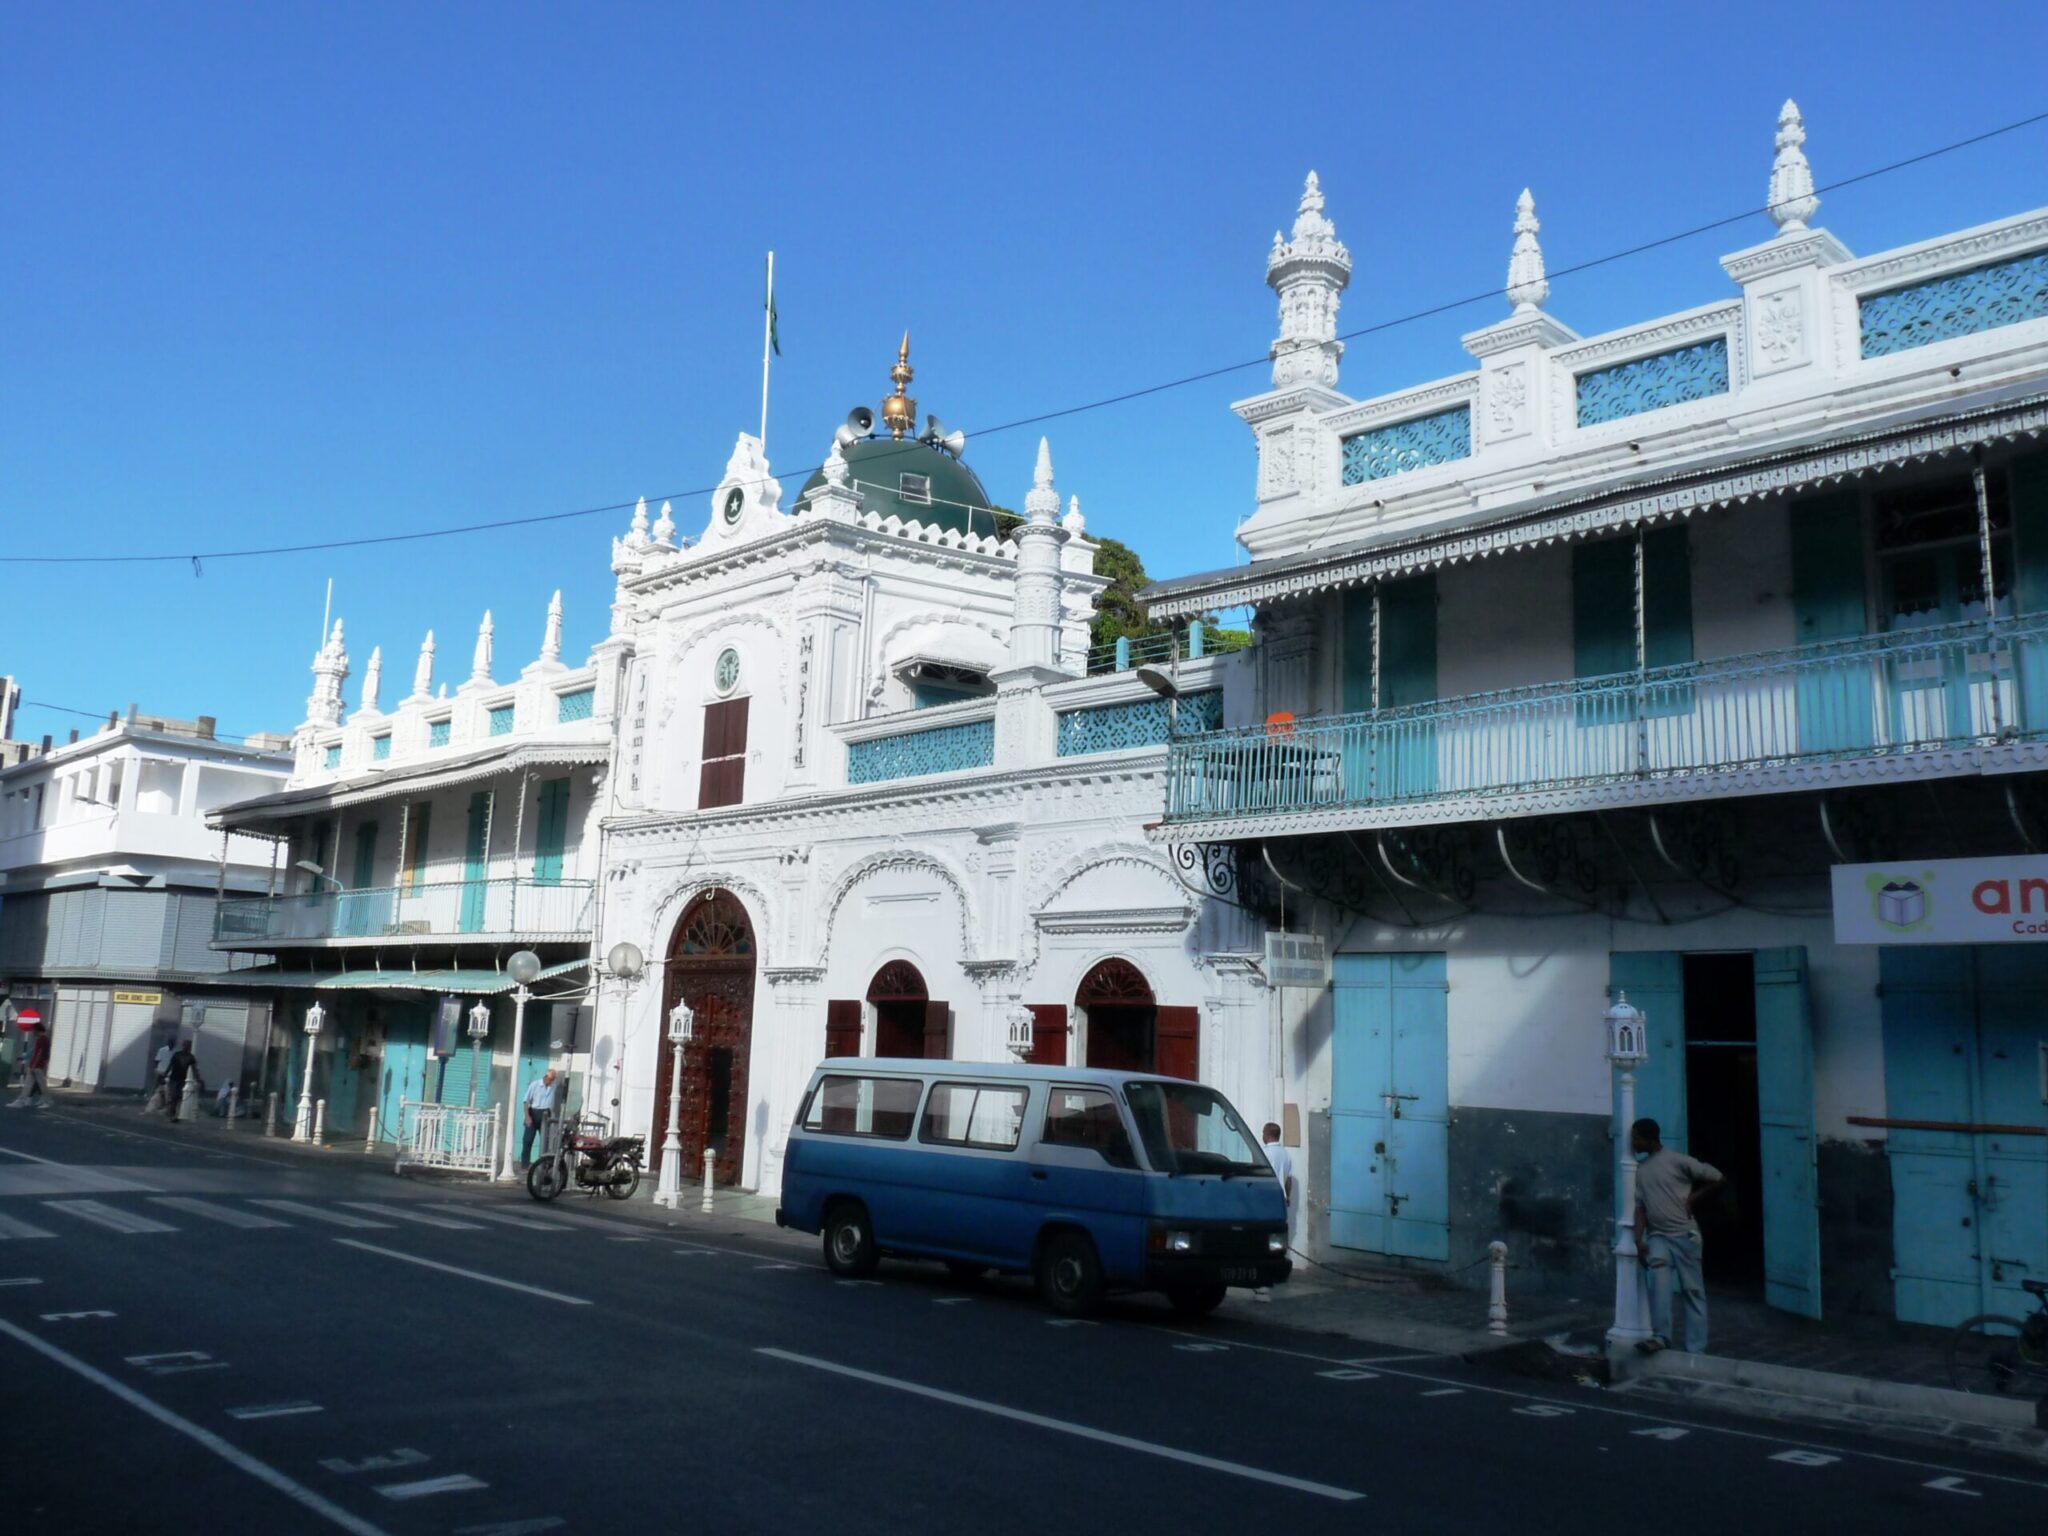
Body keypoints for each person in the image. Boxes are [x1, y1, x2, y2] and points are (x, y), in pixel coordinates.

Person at [1631, 1117, 1723, 1355]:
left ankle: (1696, 1348)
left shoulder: (1677, 1161)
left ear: (1648, 1138)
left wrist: (1692, 1198)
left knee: (1692, 1291)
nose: (1633, 1143)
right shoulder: (1641, 1170)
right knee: (1659, 1288)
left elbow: (1717, 1177)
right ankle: (1661, 1337)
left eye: (1636, 1138)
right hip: (1658, 1236)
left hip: (1685, 1235)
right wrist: (1638, 1239)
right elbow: (1640, 1207)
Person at [1256, 1122, 1295, 1303]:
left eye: (1264, 1132)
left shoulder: (1265, 1153)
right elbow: (1288, 1180)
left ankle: (1262, 1280)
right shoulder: (1285, 1155)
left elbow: (1259, 1176)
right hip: (1279, 1199)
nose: (1262, 1135)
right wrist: (1288, 1197)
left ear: (1269, 1135)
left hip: (1265, 1199)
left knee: (1262, 1237)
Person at [520, 1068, 561, 1170]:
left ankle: (544, 1164)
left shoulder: (553, 1086)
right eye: (550, 1079)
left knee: (546, 1142)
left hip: (546, 1113)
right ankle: (525, 1164)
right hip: (534, 1112)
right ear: (546, 1077)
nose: (551, 1082)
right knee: (527, 1140)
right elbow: (526, 1101)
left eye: (553, 1080)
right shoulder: (535, 1085)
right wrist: (527, 1116)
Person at [164, 1040, 202, 1121]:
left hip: (182, 1079)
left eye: (188, 1045)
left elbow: (194, 1069)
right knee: (174, 1096)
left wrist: (198, 1079)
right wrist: (165, 1074)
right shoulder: (177, 1055)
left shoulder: (191, 1057)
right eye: (185, 1045)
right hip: (174, 1078)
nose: (186, 1047)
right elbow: (170, 1065)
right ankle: (172, 1114)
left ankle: (173, 1113)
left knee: (178, 1097)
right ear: (183, 1045)